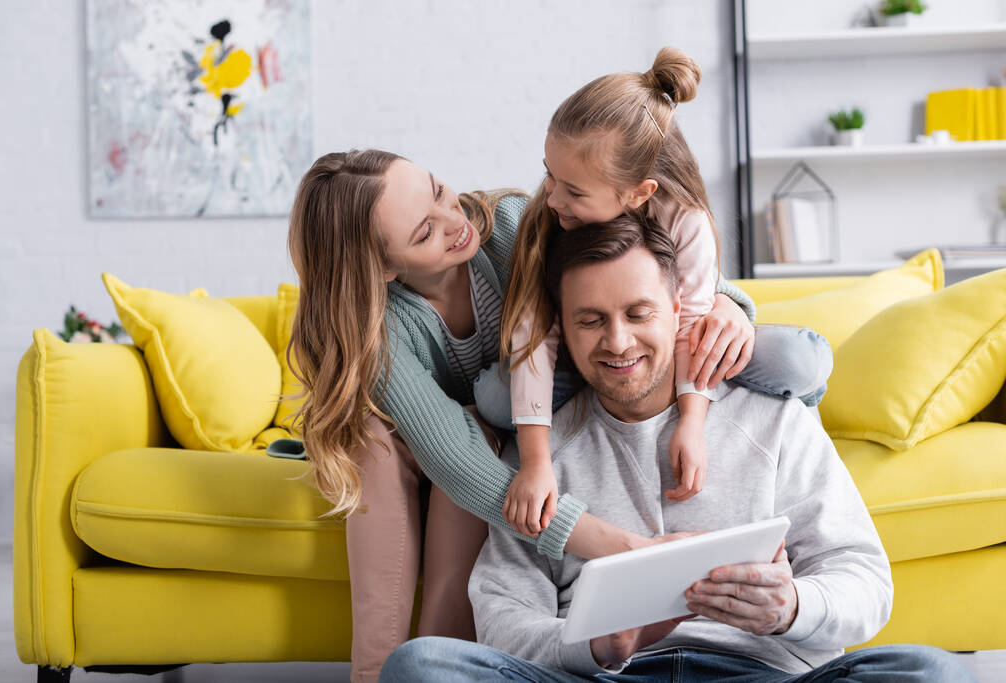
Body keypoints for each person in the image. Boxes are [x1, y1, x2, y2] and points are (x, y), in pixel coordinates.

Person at [380, 214, 973, 682]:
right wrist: (598, 642)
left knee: (937, 672)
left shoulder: (775, 420)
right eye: (590, 321)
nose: (617, 342)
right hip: (605, 677)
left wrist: (792, 607)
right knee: (423, 667)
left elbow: (865, 580)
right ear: (560, 326)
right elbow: (503, 612)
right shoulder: (540, 451)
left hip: (762, 672)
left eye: (639, 314)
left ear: (680, 311)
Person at [285, 150, 759, 681]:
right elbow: (460, 462)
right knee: (376, 440)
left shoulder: (509, 224)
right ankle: (378, 673)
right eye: (424, 233)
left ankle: (448, 659)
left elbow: (633, 264)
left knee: (485, 424)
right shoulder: (376, 330)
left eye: (440, 192)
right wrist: (630, 551)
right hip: (431, 445)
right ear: (384, 267)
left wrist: (727, 303)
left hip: (505, 419)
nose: (454, 222)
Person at [482, 47, 832, 539]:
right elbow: (532, 335)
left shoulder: (685, 222)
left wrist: (691, 420)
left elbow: (688, 322)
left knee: (799, 361)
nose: (553, 197)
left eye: (575, 192)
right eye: (548, 175)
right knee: (498, 401)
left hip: (677, 344)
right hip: (584, 356)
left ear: (639, 194)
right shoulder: (549, 217)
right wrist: (537, 462)